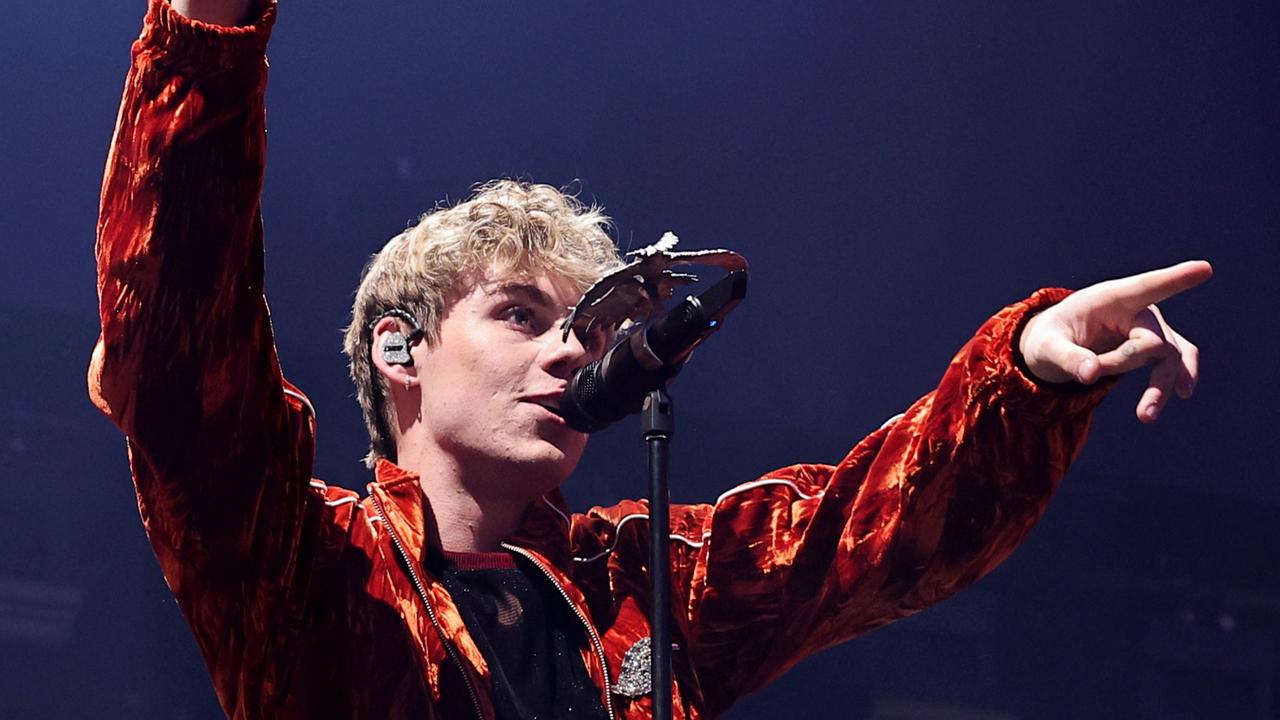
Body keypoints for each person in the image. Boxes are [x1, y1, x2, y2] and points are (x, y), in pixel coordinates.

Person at [88, 1, 1211, 718]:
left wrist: (1023, 370)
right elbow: (184, 348)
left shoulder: (639, 584)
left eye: (587, 329)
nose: (571, 353)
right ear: (400, 348)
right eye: (522, 316)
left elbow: (865, 534)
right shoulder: (304, 563)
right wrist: (205, 31)